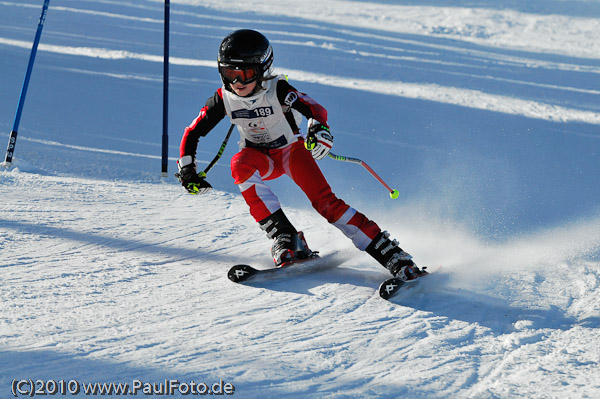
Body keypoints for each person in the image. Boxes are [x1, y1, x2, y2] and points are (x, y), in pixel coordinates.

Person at [176, 29, 423, 280]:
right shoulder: (223, 99)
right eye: (230, 74)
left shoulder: (278, 89)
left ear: (262, 69)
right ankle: (286, 237)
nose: (237, 83)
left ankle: (392, 255)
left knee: (327, 204)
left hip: (291, 152)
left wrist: (318, 128)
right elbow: (192, 132)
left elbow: (314, 108)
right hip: (258, 158)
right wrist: (187, 169)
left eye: (246, 74)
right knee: (239, 164)